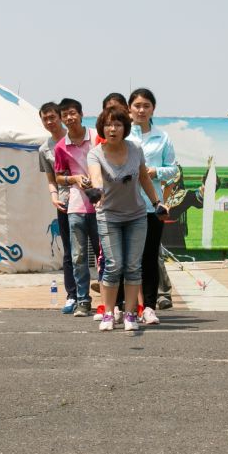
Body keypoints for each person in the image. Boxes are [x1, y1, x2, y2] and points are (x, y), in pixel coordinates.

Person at [87, 105, 159, 332]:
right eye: (108, 124)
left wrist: (157, 203)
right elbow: (96, 178)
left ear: (125, 128)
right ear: (102, 128)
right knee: (113, 265)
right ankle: (108, 313)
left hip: (137, 216)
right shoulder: (95, 153)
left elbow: (145, 178)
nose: (113, 129)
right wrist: (96, 192)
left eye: (118, 124)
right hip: (108, 216)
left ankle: (130, 314)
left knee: (133, 266)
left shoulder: (135, 149)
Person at [127, 88, 179, 323]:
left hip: (152, 205)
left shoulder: (162, 137)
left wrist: (154, 171)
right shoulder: (124, 134)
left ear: (153, 109)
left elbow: (173, 169)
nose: (141, 110)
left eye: (146, 106)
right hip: (126, 205)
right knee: (127, 259)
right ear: (129, 108)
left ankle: (149, 307)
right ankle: (126, 307)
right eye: (137, 105)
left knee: (149, 258)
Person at [54, 97, 98, 317]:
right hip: (76, 206)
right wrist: (75, 179)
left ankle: (111, 301)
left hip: (100, 205)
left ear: (81, 114)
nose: (69, 118)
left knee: (104, 255)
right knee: (78, 256)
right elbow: (59, 177)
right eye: (65, 115)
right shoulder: (61, 146)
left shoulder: (97, 137)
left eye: (73, 113)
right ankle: (83, 300)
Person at [37, 101, 76, 313]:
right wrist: (53, 196)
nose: (50, 122)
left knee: (100, 249)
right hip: (64, 201)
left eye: (52, 117)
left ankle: (110, 296)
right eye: (45, 119)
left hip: (89, 199)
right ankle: (72, 295)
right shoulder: (44, 149)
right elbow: (51, 179)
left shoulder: (77, 138)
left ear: (60, 117)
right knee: (69, 250)